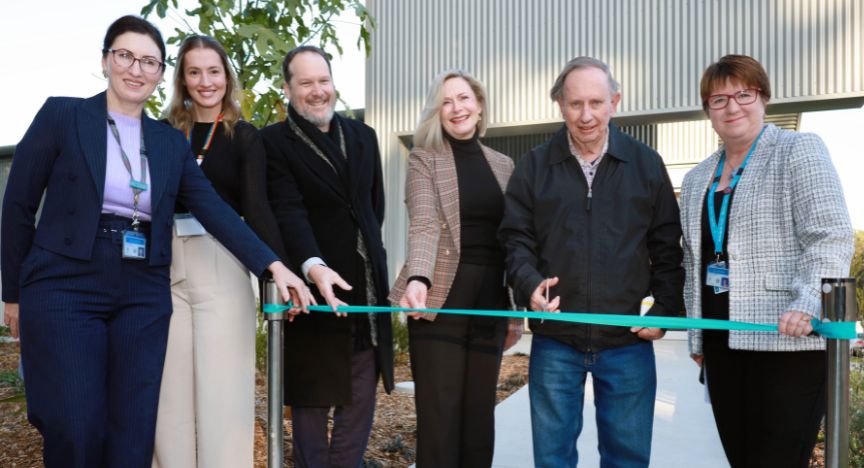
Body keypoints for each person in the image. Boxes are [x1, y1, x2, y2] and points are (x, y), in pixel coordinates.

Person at [0, 16, 311, 468]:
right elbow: (17, 206)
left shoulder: (168, 142)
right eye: (125, 56)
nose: (136, 69)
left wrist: (274, 266)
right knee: (76, 423)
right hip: (65, 283)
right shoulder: (62, 116)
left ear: (161, 74)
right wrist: (13, 294)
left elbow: (215, 209)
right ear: (106, 60)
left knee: (134, 431)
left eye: (149, 61)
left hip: (142, 288)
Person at [498, 56, 684, 468]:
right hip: (555, 342)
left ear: (614, 102)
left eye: (596, 103)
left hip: (626, 343)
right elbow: (515, 240)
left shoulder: (646, 164)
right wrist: (528, 284)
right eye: (575, 104)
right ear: (560, 105)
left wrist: (666, 310)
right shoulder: (533, 167)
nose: (586, 116)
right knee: (552, 459)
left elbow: (668, 247)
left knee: (627, 459)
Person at [680, 54, 854, 468]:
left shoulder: (797, 149)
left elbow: (830, 235)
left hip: (786, 341)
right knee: (741, 459)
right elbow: (692, 260)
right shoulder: (695, 178)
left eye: (744, 93)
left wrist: (808, 301)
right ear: (708, 110)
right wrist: (696, 335)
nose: (733, 106)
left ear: (764, 97)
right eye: (719, 99)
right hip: (722, 343)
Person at [151, 35, 287, 468]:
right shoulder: (163, 133)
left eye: (214, 71)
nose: (205, 81)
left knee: (223, 395)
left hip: (223, 260)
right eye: (194, 72)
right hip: (165, 267)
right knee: (168, 398)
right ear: (182, 80)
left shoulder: (245, 136)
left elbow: (257, 208)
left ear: (227, 77)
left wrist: (276, 272)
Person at [261, 45, 393, 468]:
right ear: (287, 89)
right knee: (311, 415)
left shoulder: (363, 136)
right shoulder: (273, 142)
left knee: (359, 410)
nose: (317, 91)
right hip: (311, 295)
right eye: (306, 83)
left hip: (363, 292)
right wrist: (312, 265)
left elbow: (373, 209)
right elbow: (287, 210)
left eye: (324, 81)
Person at [388, 69, 523, 467]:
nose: (456, 108)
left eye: (463, 98)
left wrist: (514, 311)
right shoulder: (424, 159)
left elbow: (512, 237)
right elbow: (425, 224)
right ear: (438, 112)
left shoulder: (504, 165)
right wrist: (418, 278)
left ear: (479, 106)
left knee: (480, 414)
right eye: (446, 102)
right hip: (440, 296)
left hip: (491, 301)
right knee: (441, 415)